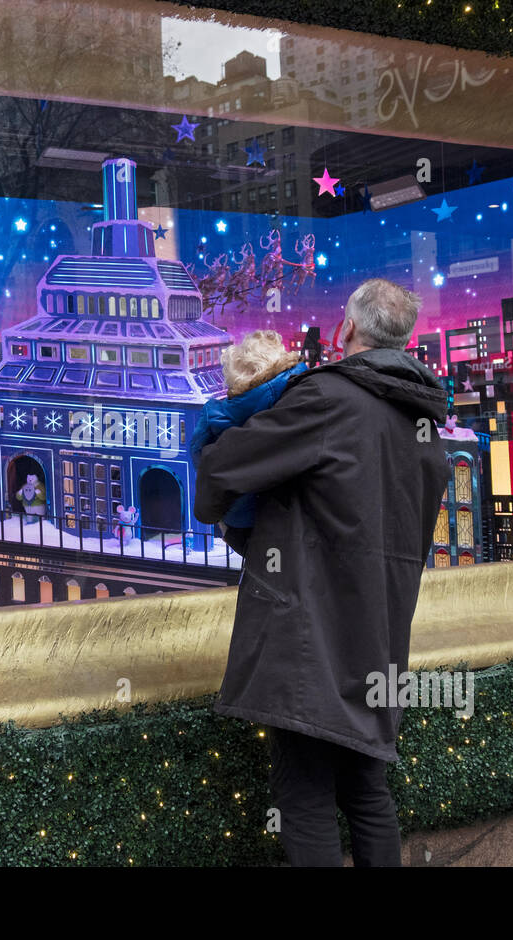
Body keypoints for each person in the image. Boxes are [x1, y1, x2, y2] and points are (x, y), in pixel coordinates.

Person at [194, 278, 452, 867]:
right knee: (366, 790)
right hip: (380, 634)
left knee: (304, 794)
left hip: (312, 633)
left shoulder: (329, 399)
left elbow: (225, 468)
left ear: (347, 330)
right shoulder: (424, 425)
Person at [189, 329, 307, 557]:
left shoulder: (215, 415)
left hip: (240, 522)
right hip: (292, 524)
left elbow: (199, 457)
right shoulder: (301, 395)